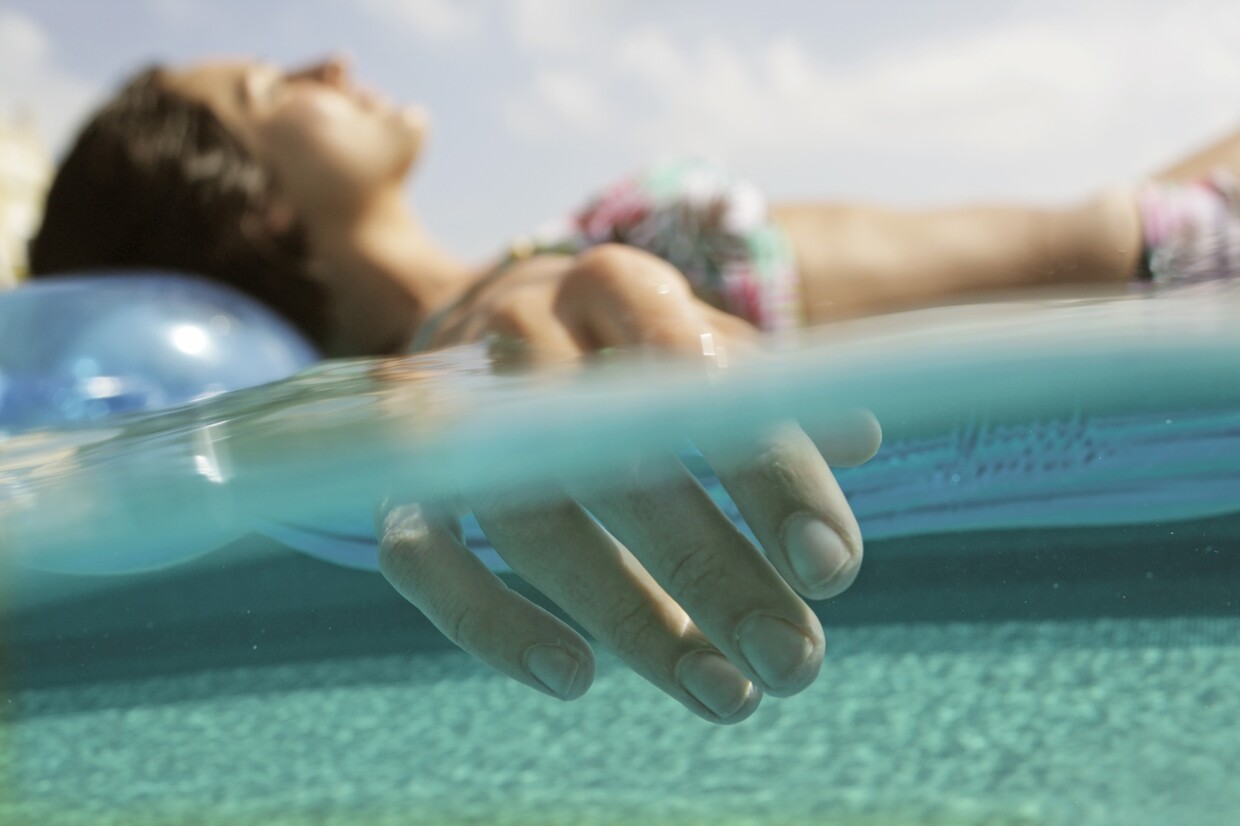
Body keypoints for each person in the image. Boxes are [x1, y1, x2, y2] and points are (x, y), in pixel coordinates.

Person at [27, 56, 1240, 723]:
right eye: (274, 87)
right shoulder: (493, 338)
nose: (333, 59)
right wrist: (479, 343)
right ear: (257, 204)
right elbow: (485, 346)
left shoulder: (537, 276)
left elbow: (1116, 220)